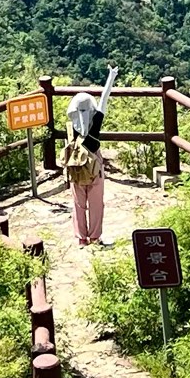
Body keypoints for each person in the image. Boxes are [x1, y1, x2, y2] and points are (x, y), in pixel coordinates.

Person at [63, 68, 117, 245]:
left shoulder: (72, 127)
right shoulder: (96, 124)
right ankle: (94, 236)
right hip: (94, 166)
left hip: (76, 168)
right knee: (95, 204)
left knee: (78, 204)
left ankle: (81, 238)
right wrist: (111, 76)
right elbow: (104, 99)